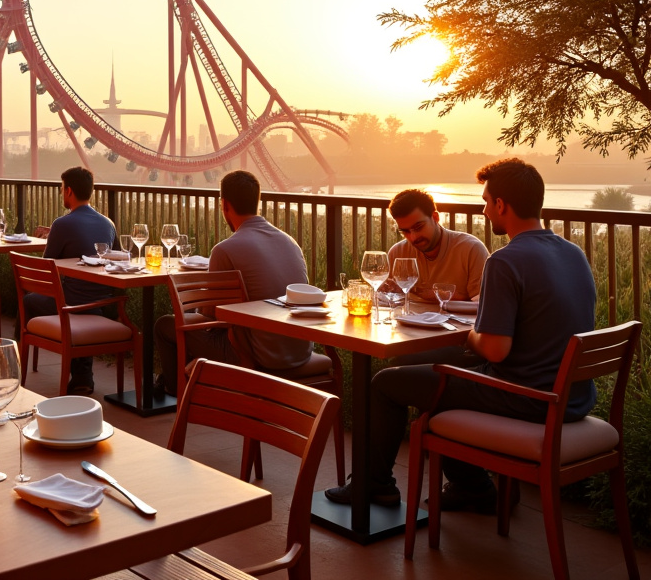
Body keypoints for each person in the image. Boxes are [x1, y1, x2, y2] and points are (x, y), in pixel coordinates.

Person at [325, 158, 596, 512]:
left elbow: (495, 351)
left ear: (501, 204)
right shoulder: (574, 253)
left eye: (486, 201)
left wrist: (469, 337)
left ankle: (375, 485)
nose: (484, 210)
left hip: (524, 396)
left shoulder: (505, 261)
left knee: (385, 384)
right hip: (571, 397)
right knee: (421, 368)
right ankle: (471, 487)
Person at [152, 170, 311, 396]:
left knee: (166, 325)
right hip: (300, 350)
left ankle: (177, 391)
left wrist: (195, 300)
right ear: (258, 201)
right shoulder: (290, 242)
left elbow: (209, 318)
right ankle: (197, 379)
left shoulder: (225, 249)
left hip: (255, 353)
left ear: (224, 205)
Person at [25, 166, 118, 395]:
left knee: (30, 301)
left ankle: (18, 364)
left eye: (61, 189)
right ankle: (82, 376)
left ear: (68, 191)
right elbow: (118, 258)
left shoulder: (62, 224)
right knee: (78, 303)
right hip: (106, 302)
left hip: (74, 301)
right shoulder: (108, 224)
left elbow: (48, 269)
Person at [386, 188, 489, 303]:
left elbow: (483, 304)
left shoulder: (471, 250)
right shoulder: (398, 253)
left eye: (418, 227)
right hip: (405, 320)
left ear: (435, 217)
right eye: (405, 231)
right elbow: (387, 299)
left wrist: (450, 296)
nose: (413, 237)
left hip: (457, 320)